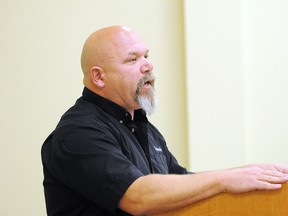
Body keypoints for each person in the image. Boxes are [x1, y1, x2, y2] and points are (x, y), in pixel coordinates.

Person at [41, 25, 288, 216]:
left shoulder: (142, 126)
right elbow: (136, 196)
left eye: (146, 56)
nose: (148, 65)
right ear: (99, 77)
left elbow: (180, 184)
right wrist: (226, 180)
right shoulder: (79, 132)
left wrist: (248, 174)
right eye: (132, 59)